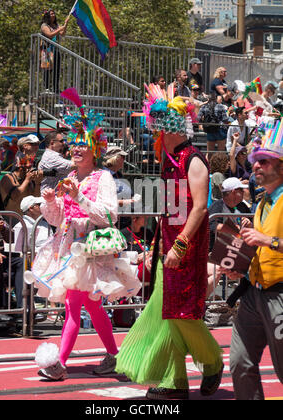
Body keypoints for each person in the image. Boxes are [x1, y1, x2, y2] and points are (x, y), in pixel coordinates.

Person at [116, 92, 223, 400]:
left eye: (161, 127)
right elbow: (168, 211)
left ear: (175, 128)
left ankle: (212, 361)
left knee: (181, 313)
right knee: (167, 313)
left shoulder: (194, 159)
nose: (156, 132)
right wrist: (156, 246)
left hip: (187, 248)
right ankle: (174, 383)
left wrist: (179, 245)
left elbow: (200, 208)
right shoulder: (168, 160)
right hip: (167, 247)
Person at [31, 91, 141, 381]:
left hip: (90, 253)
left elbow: (107, 216)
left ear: (95, 151)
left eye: (83, 146)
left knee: (74, 306)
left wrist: (78, 197)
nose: (76, 151)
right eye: (74, 146)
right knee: (90, 306)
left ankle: (60, 364)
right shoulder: (70, 178)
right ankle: (115, 357)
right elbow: (58, 220)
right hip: (68, 250)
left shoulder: (103, 177)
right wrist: (51, 201)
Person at [229, 129, 283, 400]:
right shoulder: (262, 201)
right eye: (256, 160)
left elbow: (269, 242)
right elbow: (259, 247)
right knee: (239, 362)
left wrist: (267, 239)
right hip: (254, 294)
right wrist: (238, 263)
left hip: (280, 295)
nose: (256, 165)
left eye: (265, 161)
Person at [208, 177, 251, 252]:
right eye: (241, 190)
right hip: (218, 253)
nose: (243, 192)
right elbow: (213, 226)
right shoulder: (217, 206)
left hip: (239, 252)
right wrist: (237, 233)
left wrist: (249, 223)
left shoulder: (242, 206)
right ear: (234, 192)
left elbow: (254, 224)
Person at [40, 9, 69, 93]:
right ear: (47, 16)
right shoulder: (44, 25)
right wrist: (60, 29)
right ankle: (46, 88)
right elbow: (49, 35)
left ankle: (56, 88)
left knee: (56, 69)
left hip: (55, 49)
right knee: (48, 69)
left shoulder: (55, 25)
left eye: (54, 13)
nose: (53, 15)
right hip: (47, 49)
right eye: (51, 14)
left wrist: (65, 24)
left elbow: (62, 33)